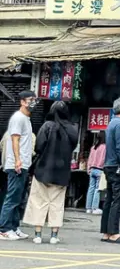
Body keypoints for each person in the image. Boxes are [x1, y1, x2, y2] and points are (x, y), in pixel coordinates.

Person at [23, 101, 79, 245]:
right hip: (62, 173)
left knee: (39, 202)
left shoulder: (47, 126)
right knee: (57, 205)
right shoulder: (73, 129)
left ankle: (38, 235)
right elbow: (72, 147)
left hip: (43, 170)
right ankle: (54, 235)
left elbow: (39, 146)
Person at [0, 91, 36, 241]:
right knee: (12, 197)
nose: (33, 102)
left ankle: (14, 227)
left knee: (18, 197)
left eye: (34, 100)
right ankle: (4, 229)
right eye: (30, 100)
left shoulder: (26, 119)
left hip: (24, 163)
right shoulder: (18, 118)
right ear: (22, 101)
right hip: (16, 164)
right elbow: (14, 140)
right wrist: (17, 160)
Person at [101, 97, 120, 244]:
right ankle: (114, 232)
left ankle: (106, 232)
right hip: (117, 167)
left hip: (109, 165)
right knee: (118, 200)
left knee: (109, 199)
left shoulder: (111, 123)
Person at [85, 132, 106, 215]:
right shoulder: (105, 147)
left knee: (91, 188)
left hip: (92, 169)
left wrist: (88, 168)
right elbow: (104, 159)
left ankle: (88, 208)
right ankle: (95, 208)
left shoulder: (93, 147)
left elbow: (90, 158)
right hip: (99, 170)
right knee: (97, 189)